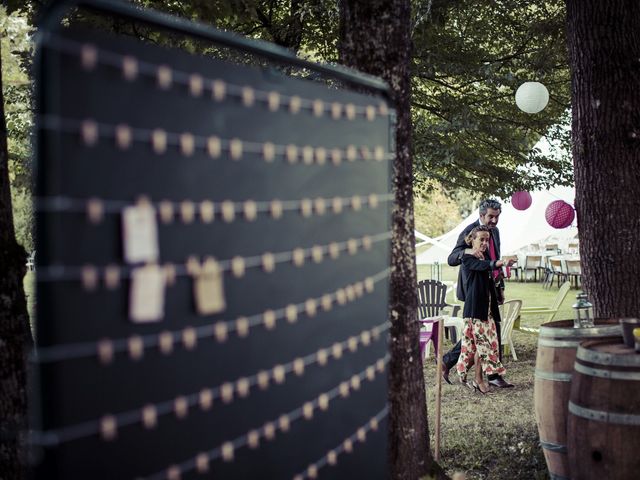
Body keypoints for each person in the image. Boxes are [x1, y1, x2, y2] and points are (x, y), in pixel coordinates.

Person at [441, 199, 515, 388]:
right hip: (473, 289)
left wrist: (500, 287)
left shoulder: (495, 232)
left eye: (497, 217)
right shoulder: (470, 231)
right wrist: (468, 251)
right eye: (491, 216)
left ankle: (450, 361)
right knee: (481, 333)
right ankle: (491, 376)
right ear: (481, 215)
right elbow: (451, 258)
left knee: (480, 333)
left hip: (490, 287)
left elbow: (494, 259)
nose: (494, 221)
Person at [454, 225, 515, 393]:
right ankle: (478, 379)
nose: (484, 243)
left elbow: (489, 271)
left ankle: (467, 375)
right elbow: (485, 266)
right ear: (472, 240)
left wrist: (499, 287)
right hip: (475, 310)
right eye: (481, 239)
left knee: (475, 346)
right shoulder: (468, 258)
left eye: (487, 240)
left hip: (487, 309)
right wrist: (500, 262)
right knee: (481, 345)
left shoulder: (485, 257)